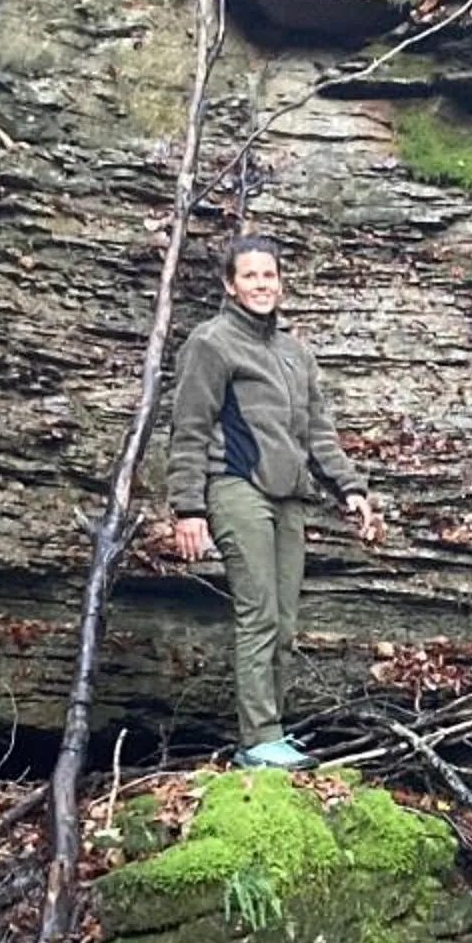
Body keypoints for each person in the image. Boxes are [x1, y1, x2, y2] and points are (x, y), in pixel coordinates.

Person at [166, 237, 383, 769]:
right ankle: (258, 739)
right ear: (229, 285)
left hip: (289, 497)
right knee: (258, 612)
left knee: (285, 621)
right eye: (250, 275)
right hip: (237, 487)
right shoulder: (211, 343)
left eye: (270, 275)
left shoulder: (295, 352)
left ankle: (274, 734)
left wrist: (351, 489)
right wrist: (188, 508)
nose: (262, 284)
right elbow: (189, 428)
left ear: (280, 282)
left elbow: (318, 434)